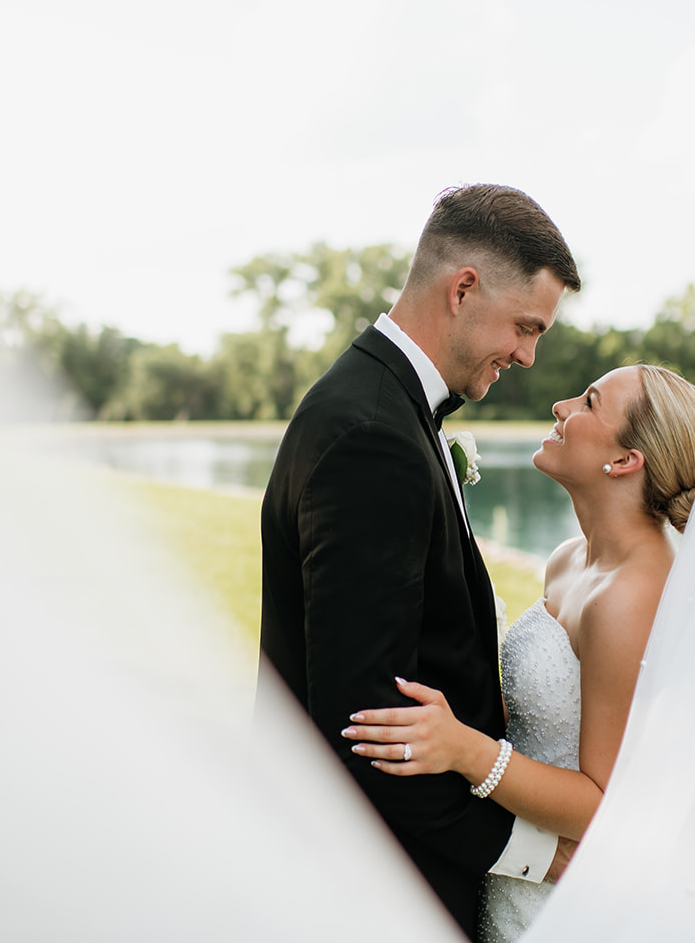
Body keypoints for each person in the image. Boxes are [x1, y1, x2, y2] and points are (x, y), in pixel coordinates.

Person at [345, 365, 695, 942]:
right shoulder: (568, 558)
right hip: (520, 876)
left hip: (571, 900)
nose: (560, 406)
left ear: (625, 460)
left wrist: (465, 750)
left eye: (588, 401)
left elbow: (606, 804)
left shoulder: (630, 596)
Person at [257, 184, 581, 940]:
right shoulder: (374, 436)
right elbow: (366, 726)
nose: (529, 355)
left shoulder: (384, 402)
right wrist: (532, 850)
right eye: (526, 327)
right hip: (374, 886)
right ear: (463, 288)